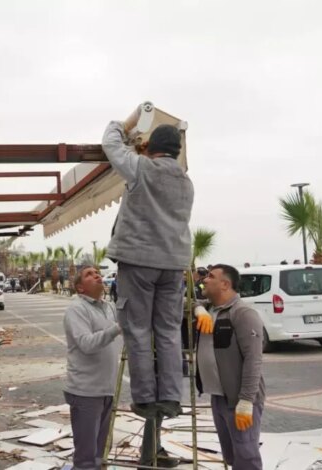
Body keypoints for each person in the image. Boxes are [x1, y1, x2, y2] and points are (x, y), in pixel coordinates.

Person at [102, 120, 194, 419]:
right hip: (173, 264)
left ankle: (144, 398)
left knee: (138, 330)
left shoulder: (142, 168)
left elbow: (110, 145)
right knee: (168, 331)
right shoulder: (185, 181)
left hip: (139, 260)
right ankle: (171, 398)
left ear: (150, 147)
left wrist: (122, 125)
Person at [194, 264, 265, 470]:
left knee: (246, 457)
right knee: (232, 455)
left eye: (211, 276)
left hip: (239, 399)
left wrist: (246, 401)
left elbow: (254, 359)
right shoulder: (209, 309)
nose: (204, 280)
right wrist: (198, 309)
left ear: (225, 284)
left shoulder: (243, 313)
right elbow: (181, 303)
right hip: (218, 397)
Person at [63, 266, 123, 470]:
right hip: (86, 392)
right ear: (80, 288)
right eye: (90, 274)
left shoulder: (109, 307)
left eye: (97, 272)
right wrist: (116, 328)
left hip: (107, 389)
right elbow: (86, 344)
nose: (97, 275)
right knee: (86, 458)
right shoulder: (77, 309)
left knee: (100, 453)